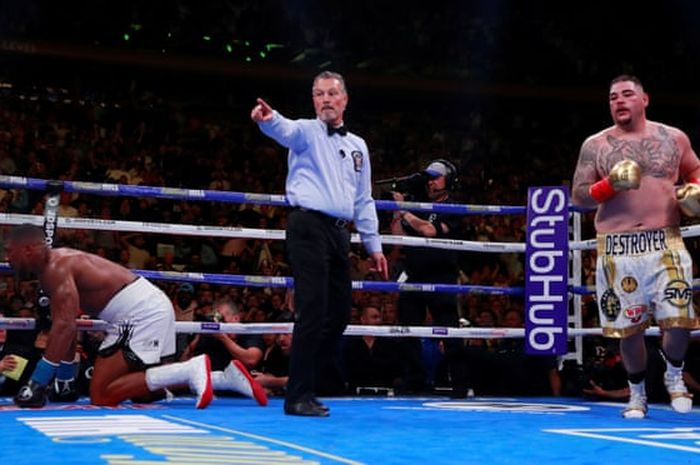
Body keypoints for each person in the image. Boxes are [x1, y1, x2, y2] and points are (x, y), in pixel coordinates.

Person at [251, 70, 388, 416]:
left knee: (340, 313)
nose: (325, 99)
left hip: (340, 233)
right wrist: (268, 120)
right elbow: (285, 129)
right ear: (314, 100)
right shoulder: (306, 133)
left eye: (332, 93)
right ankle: (297, 395)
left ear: (344, 99)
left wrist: (374, 246)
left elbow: (364, 199)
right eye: (319, 94)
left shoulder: (358, 146)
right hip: (308, 226)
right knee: (312, 309)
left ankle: (304, 384)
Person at [571, 74, 700, 419]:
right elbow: (579, 197)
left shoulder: (673, 138)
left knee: (679, 319)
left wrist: (695, 192)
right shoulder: (596, 145)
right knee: (627, 329)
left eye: (627, 94)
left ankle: (674, 375)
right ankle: (637, 394)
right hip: (617, 246)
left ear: (645, 99)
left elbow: (695, 170)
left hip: (665, 241)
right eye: (613, 97)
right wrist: (609, 184)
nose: (619, 101)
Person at [4, 224, 214, 409]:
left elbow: (65, 327)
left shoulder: (55, 269)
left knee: (102, 394)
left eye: (9, 251)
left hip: (139, 315)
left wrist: (37, 383)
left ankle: (189, 368)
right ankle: (225, 379)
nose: (7, 258)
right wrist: (65, 380)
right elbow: (67, 326)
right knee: (143, 392)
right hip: (146, 308)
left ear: (28, 250)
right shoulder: (55, 267)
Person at [390, 158, 467, 396]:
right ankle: (415, 381)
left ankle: (459, 384)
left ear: (449, 181)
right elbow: (397, 234)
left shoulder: (453, 207)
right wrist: (398, 211)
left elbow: (430, 231)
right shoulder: (418, 204)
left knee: (449, 332)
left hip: (442, 276)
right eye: (429, 178)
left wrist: (405, 211)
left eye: (437, 177)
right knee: (407, 330)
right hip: (414, 274)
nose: (431, 182)